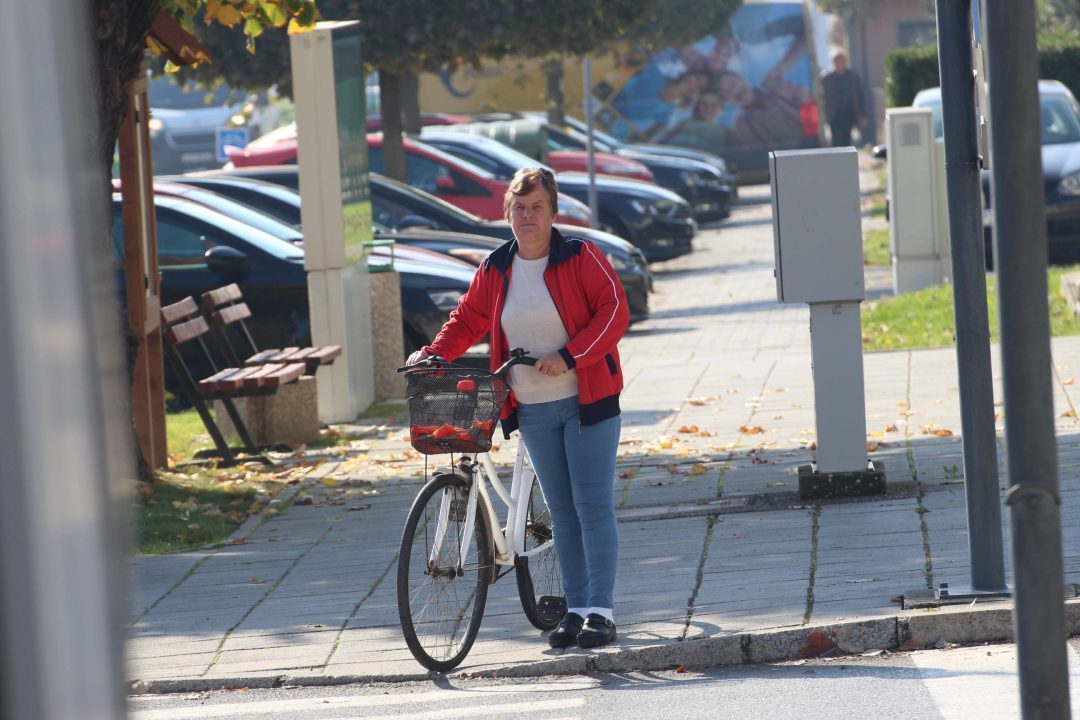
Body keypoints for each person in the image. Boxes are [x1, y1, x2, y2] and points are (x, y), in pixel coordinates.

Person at [407, 167, 630, 650]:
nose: (528, 216)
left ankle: (601, 611)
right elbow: (467, 318)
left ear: (552, 212)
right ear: (507, 212)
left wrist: (569, 355)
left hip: (587, 401)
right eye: (519, 208)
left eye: (537, 207)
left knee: (591, 504)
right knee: (563, 512)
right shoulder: (497, 266)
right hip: (532, 406)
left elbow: (614, 311)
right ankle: (575, 609)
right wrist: (434, 355)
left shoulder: (580, 256)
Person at [820, 48, 867, 147]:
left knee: (846, 139)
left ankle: (845, 155)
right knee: (835, 139)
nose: (839, 63)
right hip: (834, 114)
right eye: (837, 60)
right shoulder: (826, 77)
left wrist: (862, 114)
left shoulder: (853, 76)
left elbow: (860, 95)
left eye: (842, 60)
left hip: (848, 113)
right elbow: (821, 96)